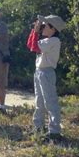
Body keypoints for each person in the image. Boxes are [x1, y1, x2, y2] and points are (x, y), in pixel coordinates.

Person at [27, 14, 66, 143]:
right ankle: (38, 126)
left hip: (46, 72)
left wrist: (36, 31)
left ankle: (55, 131)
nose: (42, 27)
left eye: (45, 25)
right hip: (39, 71)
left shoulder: (53, 41)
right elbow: (30, 45)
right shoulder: (46, 40)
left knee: (50, 101)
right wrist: (35, 31)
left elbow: (34, 46)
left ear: (53, 29)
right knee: (39, 101)